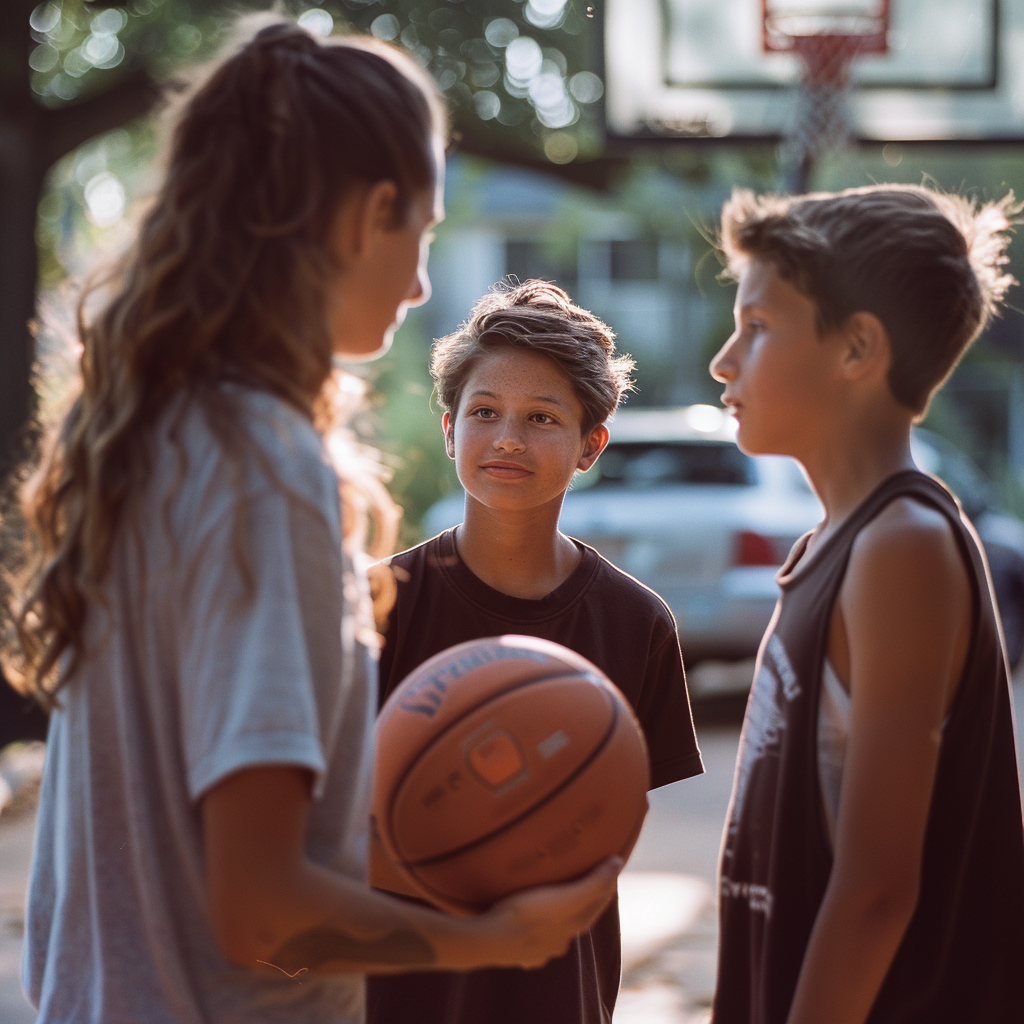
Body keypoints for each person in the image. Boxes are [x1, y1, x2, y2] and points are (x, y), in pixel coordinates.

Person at [0, 19, 620, 1024]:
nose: (422, 283)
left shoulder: (152, 429)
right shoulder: (264, 467)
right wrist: (490, 940)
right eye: (420, 232)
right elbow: (260, 912)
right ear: (367, 215)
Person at [708, 184, 1024, 1024]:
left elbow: (879, 888)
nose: (723, 360)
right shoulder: (831, 546)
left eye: (758, 327)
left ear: (857, 348)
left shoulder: (903, 547)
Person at [366, 279, 704, 1024]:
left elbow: (607, 828)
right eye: (485, 412)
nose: (509, 437)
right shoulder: (374, 607)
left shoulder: (636, 621)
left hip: (556, 991)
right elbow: (318, 829)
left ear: (591, 445)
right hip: (397, 989)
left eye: (541, 417)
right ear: (450, 429)